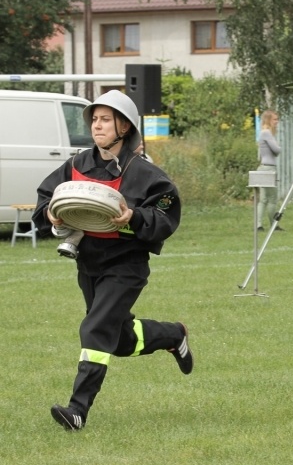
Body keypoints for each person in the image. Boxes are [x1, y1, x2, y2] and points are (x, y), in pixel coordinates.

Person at [33, 90, 192, 431]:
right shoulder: (76, 165)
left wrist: (133, 216)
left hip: (126, 265)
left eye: (105, 119)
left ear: (124, 126)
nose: (97, 125)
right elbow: (45, 201)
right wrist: (51, 215)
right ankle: (173, 335)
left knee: (94, 328)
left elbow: (165, 215)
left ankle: (77, 411)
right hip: (88, 262)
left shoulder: (147, 175)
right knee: (118, 340)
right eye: (94, 119)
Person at [257, 110, 283, 231]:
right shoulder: (267, 133)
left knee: (263, 199)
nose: (277, 122)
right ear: (268, 120)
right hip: (269, 168)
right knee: (272, 198)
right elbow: (276, 150)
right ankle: (273, 224)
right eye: (274, 119)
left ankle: (259, 224)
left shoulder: (262, 133)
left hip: (262, 167)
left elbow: (259, 155)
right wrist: (278, 146)